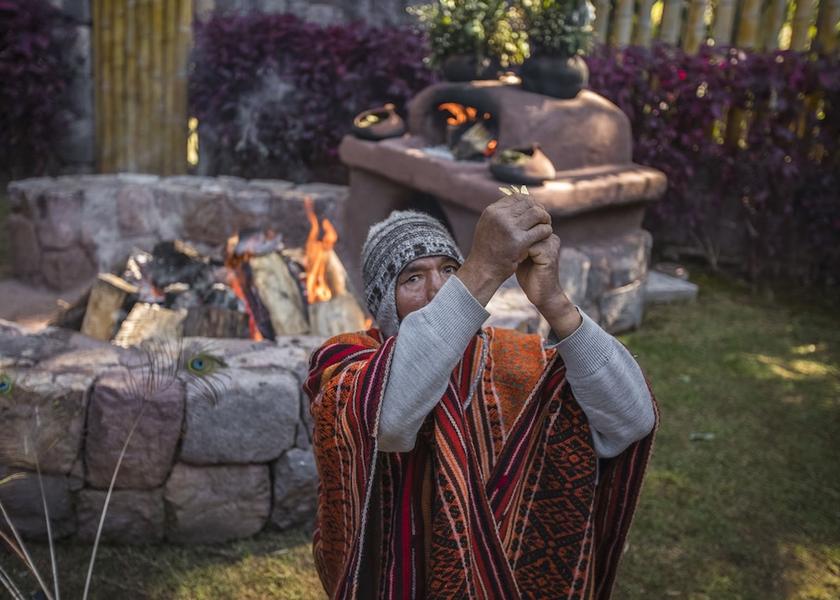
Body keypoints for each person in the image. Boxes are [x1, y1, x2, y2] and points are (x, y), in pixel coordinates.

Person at [304, 189, 657, 599]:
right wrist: (483, 267)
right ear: (384, 303)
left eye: (451, 269)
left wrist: (555, 303)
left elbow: (632, 420)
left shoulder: (513, 358)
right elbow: (390, 418)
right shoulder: (347, 361)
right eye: (413, 278)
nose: (438, 290)